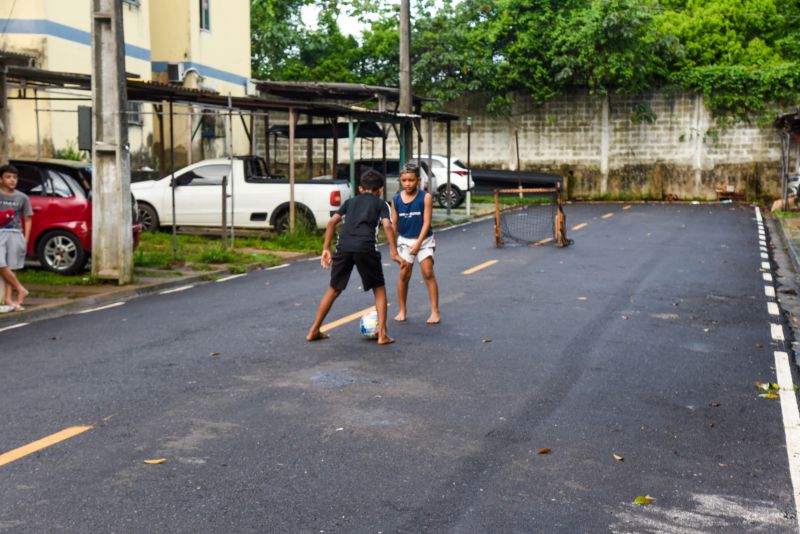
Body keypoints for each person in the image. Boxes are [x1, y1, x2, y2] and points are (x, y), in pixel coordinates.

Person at [307, 169, 401, 345]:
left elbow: (331, 222)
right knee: (379, 289)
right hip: (366, 247)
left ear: (360, 188)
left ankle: (313, 330)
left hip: (343, 247)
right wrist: (394, 251)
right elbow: (387, 225)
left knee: (334, 289)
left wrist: (326, 248)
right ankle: (382, 335)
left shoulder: (349, 202)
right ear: (380, 189)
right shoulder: (381, 204)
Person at [391, 163, 440, 324]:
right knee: (404, 275)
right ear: (400, 180)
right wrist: (393, 248)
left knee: (427, 272)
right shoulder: (396, 199)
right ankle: (402, 310)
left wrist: (419, 243)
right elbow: (394, 225)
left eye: (411, 180)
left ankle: (435, 311)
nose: (407, 184)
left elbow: (426, 222)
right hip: (405, 240)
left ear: (418, 180)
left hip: (424, 239)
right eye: (404, 180)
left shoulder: (425, 197)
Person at [0, 164, 32, 311]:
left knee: (12, 265)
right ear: (1, 179)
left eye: (14, 177)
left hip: (15, 233)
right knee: (1, 263)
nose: (12, 180)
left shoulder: (22, 197)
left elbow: (27, 219)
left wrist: (25, 239)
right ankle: (21, 288)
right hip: (1, 232)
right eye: (8, 177)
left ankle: (8, 298)